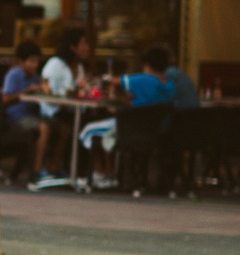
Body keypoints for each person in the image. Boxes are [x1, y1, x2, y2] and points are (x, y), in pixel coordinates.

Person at [78, 44, 177, 189]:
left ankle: (100, 173)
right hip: (154, 131)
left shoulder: (144, 79)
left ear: (147, 64)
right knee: (106, 131)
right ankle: (108, 172)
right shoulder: (170, 85)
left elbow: (113, 81)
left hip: (131, 128)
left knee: (87, 131)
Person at [30, 26, 90, 187]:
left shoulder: (78, 67)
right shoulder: (55, 64)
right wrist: (68, 93)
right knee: (66, 125)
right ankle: (47, 169)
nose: (87, 48)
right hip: (51, 110)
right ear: (72, 46)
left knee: (87, 121)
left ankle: (64, 169)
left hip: (71, 109)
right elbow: (46, 88)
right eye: (83, 43)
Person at [0, 40, 47, 182]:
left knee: (57, 126)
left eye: (37, 62)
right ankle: (37, 170)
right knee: (44, 128)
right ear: (21, 61)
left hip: (31, 116)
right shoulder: (13, 75)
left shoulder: (36, 78)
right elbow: (5, 98)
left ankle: (50, 168)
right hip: (14, 117)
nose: (35, 65)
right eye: (31, 61)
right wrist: (27, 91)